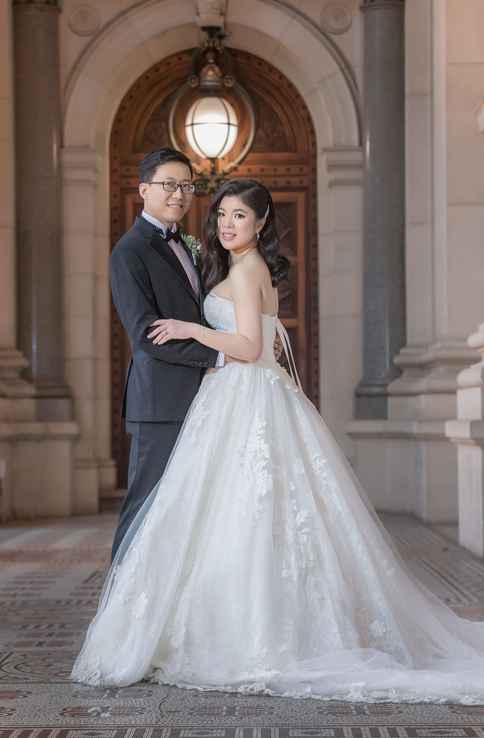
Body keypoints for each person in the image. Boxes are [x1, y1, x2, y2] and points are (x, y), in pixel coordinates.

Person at [72, 179, 484, 703]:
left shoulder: (248, 271)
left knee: (245, 512)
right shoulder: (239, 267)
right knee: (242, 513)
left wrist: (189, 328)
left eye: (240, 217)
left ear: (261, 223)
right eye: (222, 214)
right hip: (240, 396)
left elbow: (247, 345)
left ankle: (254, 634)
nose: (226, 224)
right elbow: (268, 341)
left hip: (243, 394)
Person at [109, 148, 223, 560]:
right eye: (169, 185)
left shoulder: (188, 245)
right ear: (144, 190)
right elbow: (145, 334)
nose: (179, 194)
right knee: (144, 506)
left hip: (204, 399)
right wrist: (220, 358)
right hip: (160, 403)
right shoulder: (129, 252)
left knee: (188, 508)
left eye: (186, 186)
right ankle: (119, 607)